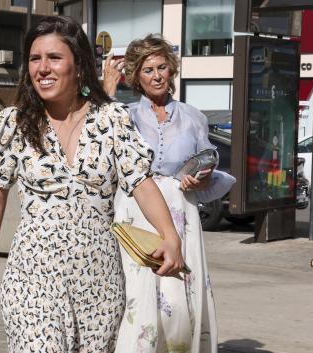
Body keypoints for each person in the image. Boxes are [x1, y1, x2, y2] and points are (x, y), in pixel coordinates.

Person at [0, 16, 185, 353]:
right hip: (33, 278)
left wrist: (170, 237)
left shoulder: (111, 119)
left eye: (54, 58)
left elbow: (141, 183)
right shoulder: (13, 122)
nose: (42, 68)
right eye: (34, 58)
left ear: (79, 65)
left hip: (100, 281)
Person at [102, 34, 236, 353]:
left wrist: (200, 180)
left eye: (162, 67)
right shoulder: (124, 115)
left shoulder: (192, 118)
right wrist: (107, 88)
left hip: (180, 215)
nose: (157, 75)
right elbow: (95, 136)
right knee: (137, 295)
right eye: (148, 70)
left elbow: (206, 163)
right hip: (135, 211)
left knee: (177, 301)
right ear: (136, 76)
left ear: (172, 69)